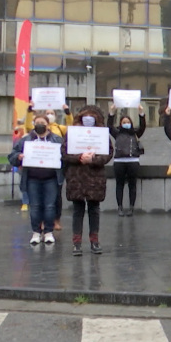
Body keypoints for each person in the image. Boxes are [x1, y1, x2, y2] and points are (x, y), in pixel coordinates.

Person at [61, 105, 113, 256]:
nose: (88, 120)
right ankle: (76, 243)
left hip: (95, 177)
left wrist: (94, 159)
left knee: (94, 210)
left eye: (92, 117)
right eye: (86, 117)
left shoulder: (102, 134)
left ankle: (94, 241)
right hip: (76, 176)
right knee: (77, 210)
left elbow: (109, 153)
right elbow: (64, 153)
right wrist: (79, 157)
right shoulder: (71, 133)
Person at [9, 112, 64, 245]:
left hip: (51, 178)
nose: (40, 126)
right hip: (32, 178)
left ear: (48, 125)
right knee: (35, 206)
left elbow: (65, 156)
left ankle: (49, 232)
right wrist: (19, 157)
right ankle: (36, 232)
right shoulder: (26, 140)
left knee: (50, 206)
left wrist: (60, 158)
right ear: (33, 125)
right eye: (37, 123)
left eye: (42, 123)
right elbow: (12, 155)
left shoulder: (56, 140)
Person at [25, 104, 71, 226]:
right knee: (38, 199)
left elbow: (71, 127)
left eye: (52, 113)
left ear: (55, 116)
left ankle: (56, 219)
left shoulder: (59, 129)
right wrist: (30, 110)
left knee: (56, 197)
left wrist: (67, 112)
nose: (50, 115)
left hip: (54, 168)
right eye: (47, 113)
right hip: (37, 166)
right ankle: (41, 221)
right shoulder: (34, 131)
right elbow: (28, 125)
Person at [108, 104, 146, 217]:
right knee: (119, 184)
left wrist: (141, 114)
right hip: (119, 162)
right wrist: (111, 113)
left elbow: (143, 126)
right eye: (123, 122)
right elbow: (109, 126)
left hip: (133, 161)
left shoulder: (135, 133)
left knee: (132, 185)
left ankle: (131, 208)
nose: (126, 124)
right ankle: (120, 207)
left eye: (127, 122)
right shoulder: (117, 133)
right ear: (120, 124)